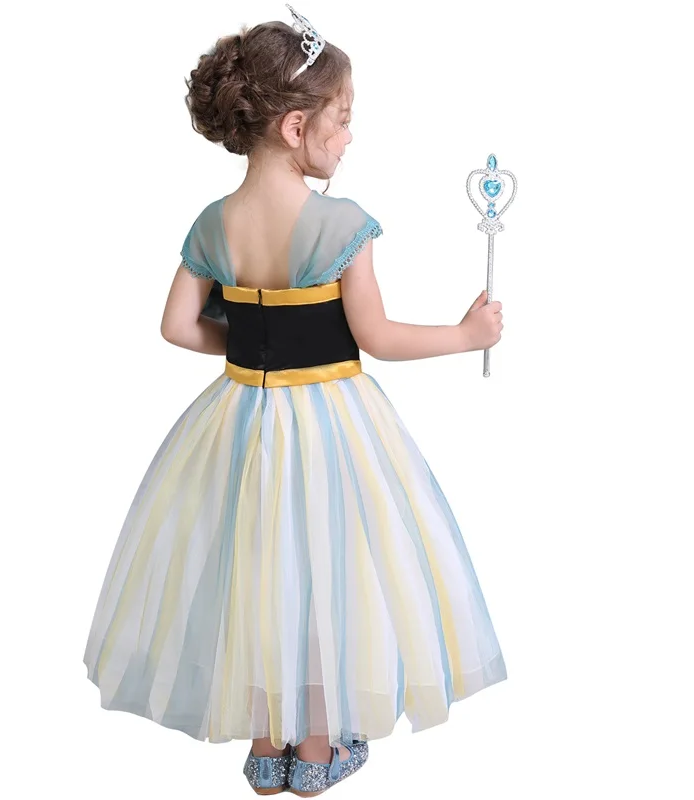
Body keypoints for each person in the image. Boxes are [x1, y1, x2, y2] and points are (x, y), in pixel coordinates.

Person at [83, 6, 507, 797]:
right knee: (323, 573)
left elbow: (177, 326)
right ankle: (315, 753)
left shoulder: (214, 223)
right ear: (295, 126)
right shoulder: (340, 224)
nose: (349, 137)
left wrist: (251, 346)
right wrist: (465, 333)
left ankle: (263, 748)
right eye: (342, 119)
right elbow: (376, 336)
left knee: (256, 568)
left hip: (238, 421)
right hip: (330, 424)